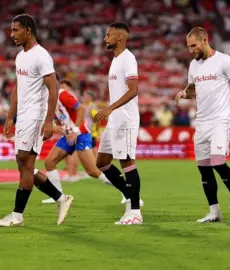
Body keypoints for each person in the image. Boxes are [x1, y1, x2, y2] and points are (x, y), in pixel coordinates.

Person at [0, 14, 73, 227]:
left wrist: (48, 121)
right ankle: (61, 198)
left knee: (25, 163)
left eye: (15, 30)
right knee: (23, 164)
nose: (12, 35)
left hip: (36, 116)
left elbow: (53, 88)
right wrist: (10, 117)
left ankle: (17, 215)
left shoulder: (41, 56)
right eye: (11, 30)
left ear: (28, 30)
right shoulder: (21, 57)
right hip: (23, 117)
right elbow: (19, 89)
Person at [175, 27, 230, 223]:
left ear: (205, 40)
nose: (191, 50)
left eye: (194, 45)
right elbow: (193, 90)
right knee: (204, 168)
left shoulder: (224, 60)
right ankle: (214, 212)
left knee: (218, 162)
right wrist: (183, 93)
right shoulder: (193, 65)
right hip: (202, 123)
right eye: (189, 46)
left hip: (219, 121)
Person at [41, 79, 127, 204]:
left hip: (80, 134)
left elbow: (80, 109)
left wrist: (75, 130)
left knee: (93, 171)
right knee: (49, 162)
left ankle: (126, 192)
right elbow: (60, 117)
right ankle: (58, 197)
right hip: (68, 135)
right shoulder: (48, 100)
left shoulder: (62, 94)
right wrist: (55, 126)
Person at [94, 22, 143, 225]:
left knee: (127, 162)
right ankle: (131, 196)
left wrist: (110, 108)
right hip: (115, 119)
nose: (105, 38)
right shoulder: (115, 60)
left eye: (109, 34)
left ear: (120, 38)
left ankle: (135, 212)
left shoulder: (128, 59)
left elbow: (133, 90)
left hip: (126, 119)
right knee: (102, 162)